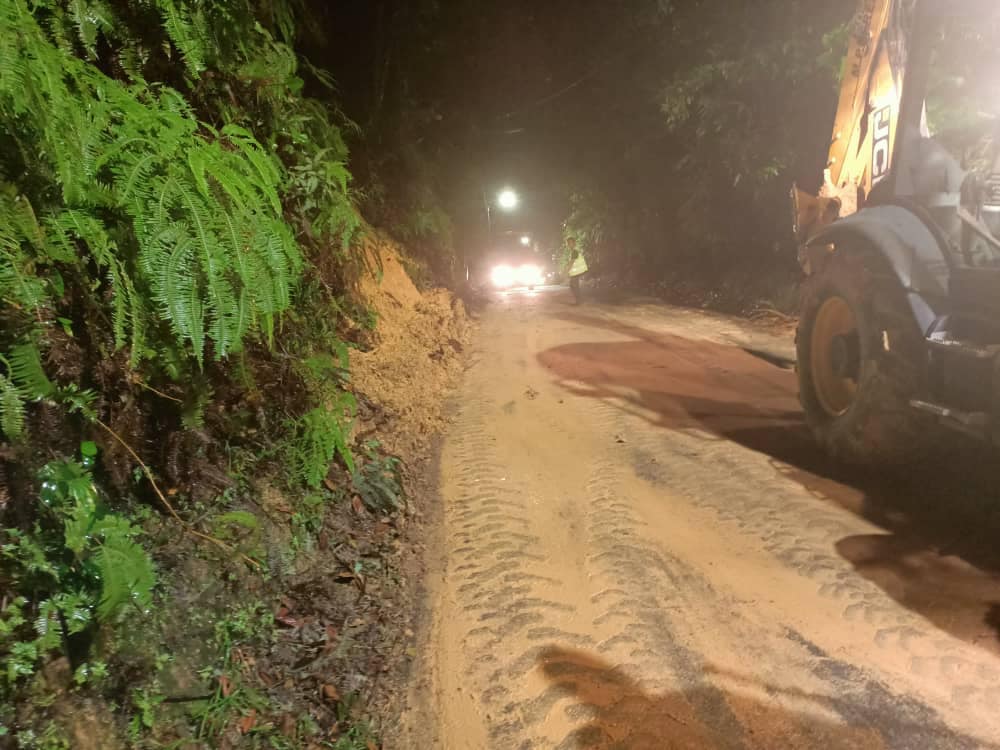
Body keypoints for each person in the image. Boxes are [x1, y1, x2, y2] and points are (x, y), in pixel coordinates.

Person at [566, 237, 588, 304]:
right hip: (577, 271)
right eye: (568, 243)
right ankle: (579, 300)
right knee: (574, 285)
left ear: (574, 243)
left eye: (571, 243)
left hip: (578, 271)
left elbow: (572, 262)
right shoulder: (574, 251)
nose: (569, 244)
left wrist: (566, 271)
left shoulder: (575, 251)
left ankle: (579, 301)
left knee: (574, 285)